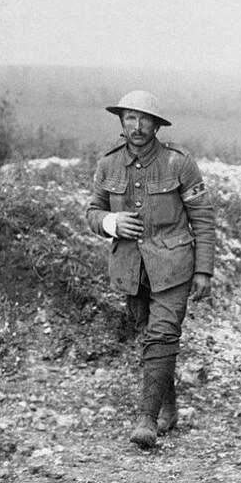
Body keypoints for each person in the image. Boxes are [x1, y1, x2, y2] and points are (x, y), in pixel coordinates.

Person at [86, 90, 215, 450]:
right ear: (121, 122)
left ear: (157, 125)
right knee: (149, 338)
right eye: (130, 118)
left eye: (145, 119)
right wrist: (111, 221)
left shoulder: (179, 163)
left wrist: (204, 270)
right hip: (131, 268)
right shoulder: (108, 164)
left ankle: (146, 418)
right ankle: (167, 407)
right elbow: (91, 212)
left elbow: (202, 219)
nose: (138, 126)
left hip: (174, 265)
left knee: (161, 335)